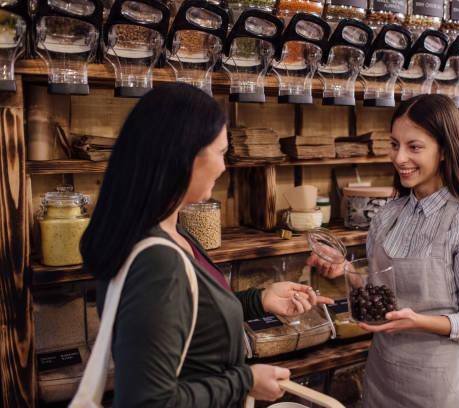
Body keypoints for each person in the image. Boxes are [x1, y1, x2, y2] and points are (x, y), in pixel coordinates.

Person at [80, 83, 332, 407]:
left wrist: (259, 300)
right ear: (186, 156)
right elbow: (147, 402)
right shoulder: (157, 262)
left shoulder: (171, 231)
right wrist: (246, 381)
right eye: (221, 152)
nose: (224, 167)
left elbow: (190, 317)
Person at [308, 94, 459, 407]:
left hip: (438, 389)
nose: (399, 158)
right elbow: (379, 292)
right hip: (381, 379)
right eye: (394, 144)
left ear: (444, 150)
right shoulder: (388, 214)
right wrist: (343, 269)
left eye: (414, 147)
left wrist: (419, 321)